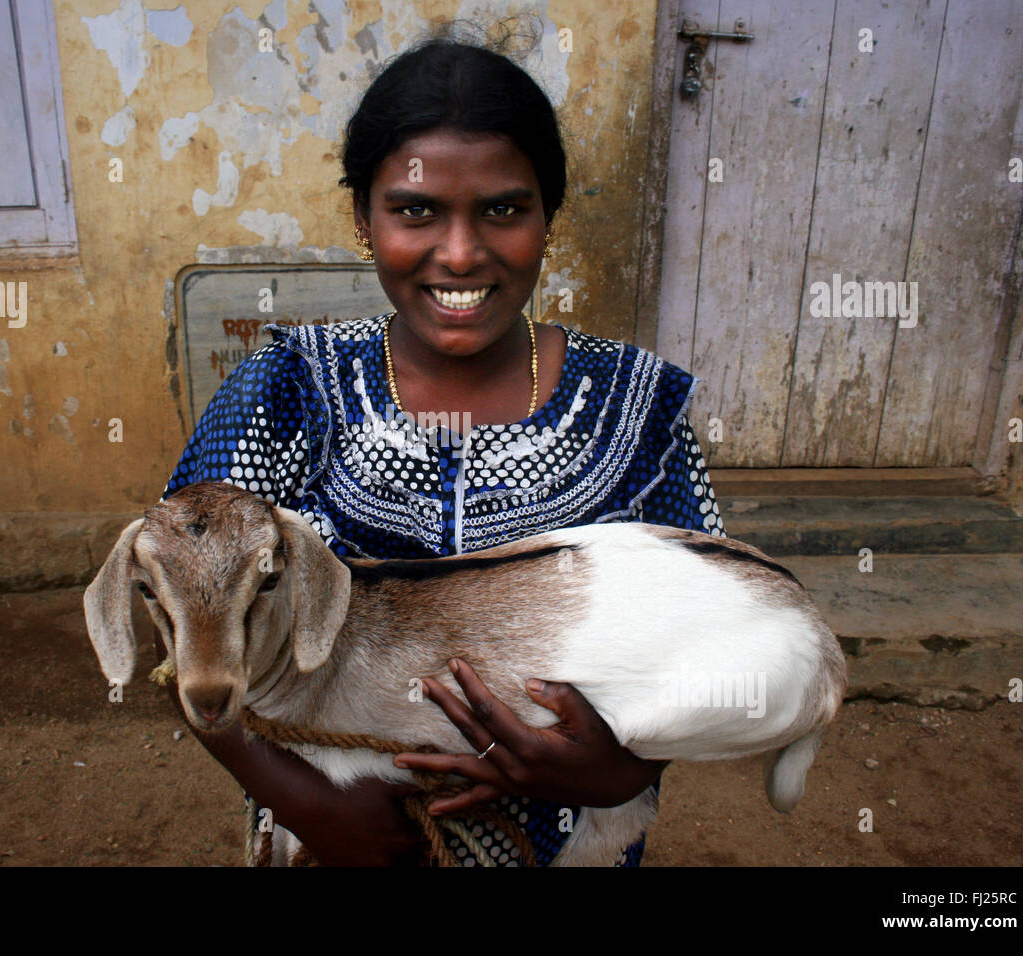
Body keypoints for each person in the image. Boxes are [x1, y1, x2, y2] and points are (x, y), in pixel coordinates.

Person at [160, 34, 727, 867]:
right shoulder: (285, 392)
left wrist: (617, 770)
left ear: (548, 217)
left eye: (503, 208)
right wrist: (316, 808)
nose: (460, 254)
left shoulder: (635, 410)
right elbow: (182, 622)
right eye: (416, 210)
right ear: (364, 217)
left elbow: (708, 629)